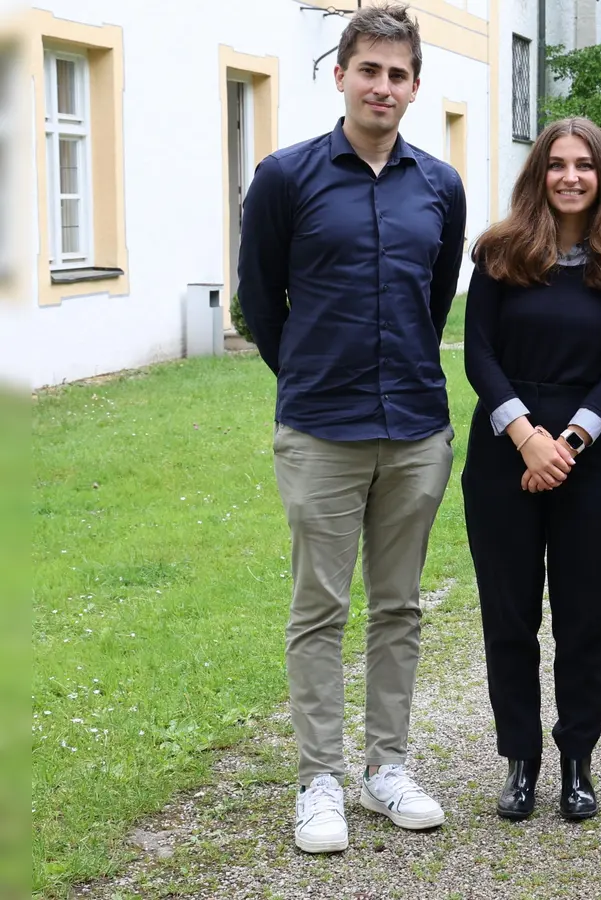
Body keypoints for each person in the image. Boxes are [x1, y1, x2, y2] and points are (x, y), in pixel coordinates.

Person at [236, 2, 466, 855]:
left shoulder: (440, 186)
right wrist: (308, 377)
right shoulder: (286, 177)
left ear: (414, 86)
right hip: (321, 430)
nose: (383, 85)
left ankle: (387, 768)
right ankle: (319, 779)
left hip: (414, 428)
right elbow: (261, 300)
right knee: (320, 607)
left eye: (398, 74)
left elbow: (432, 299)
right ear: (340, 75)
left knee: (399, 606)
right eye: (368, 69)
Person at [461, 117, 601, 823]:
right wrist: (524, 436)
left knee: (580, 617)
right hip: (503, 452)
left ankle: (576, 759)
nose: (571, 176)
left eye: (585, 165)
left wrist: (565, 441)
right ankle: (520, 760)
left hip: (587, 458)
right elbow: (479, 353)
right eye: (557, 164)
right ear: (539, 174)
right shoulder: (500, 252)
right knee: (508, 616)